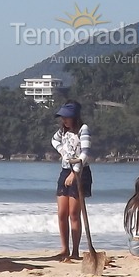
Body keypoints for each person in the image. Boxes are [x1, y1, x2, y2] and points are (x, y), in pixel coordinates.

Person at [51, 100, 92, 262]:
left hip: (80, 172)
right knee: (62, 213)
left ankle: (75, 250)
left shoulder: (83, 129)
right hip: (65, 170)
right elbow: (54, 141)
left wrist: (74, 173)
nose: (64, 120)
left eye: (66, 117)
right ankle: (64, 249)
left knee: (74, 213)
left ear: (74, 117)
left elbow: (85, 153)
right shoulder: (62, 131)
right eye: (62, 118)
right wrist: (62, 152)